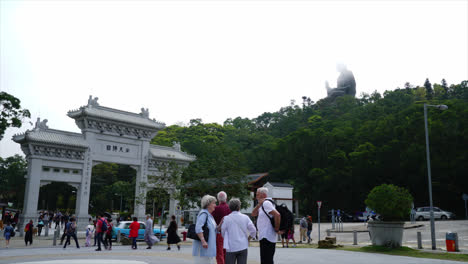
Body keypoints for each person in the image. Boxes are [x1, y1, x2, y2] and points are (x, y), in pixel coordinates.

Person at [251, 187, 282, 264]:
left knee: (266, 260)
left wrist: (276, 229)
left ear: (264, 195)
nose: (256, 197)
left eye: (258, 195)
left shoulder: (266, 203)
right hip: (265, 235)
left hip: (267, 236)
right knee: (266, 260)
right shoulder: (263, 204)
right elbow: (253, 214)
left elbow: (277, 215)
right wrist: (259, 204)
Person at [221, 198, 257, 264]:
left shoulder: (226, 218)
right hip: (243, 246)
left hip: (231, 247)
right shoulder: (245, 217)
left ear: (230, 208)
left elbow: (223, 232)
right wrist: (249, 238)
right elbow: (253, 230)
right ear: (239, 207)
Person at [192, 194, 217, 264]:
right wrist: (203, 241)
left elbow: (213, 230)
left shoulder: (210, 215)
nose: (215, 205)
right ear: (208, 204)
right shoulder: (203, 214)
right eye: (214, 203)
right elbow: (198, 228)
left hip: (209, 248)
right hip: (203, 248)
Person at [211, 191, 231, 264]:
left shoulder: (215, 209)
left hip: (219, 234)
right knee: (227, 253)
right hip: (229, 234)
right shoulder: (230, 208)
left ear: (218, 199)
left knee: (220, 253)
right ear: (226, 198)